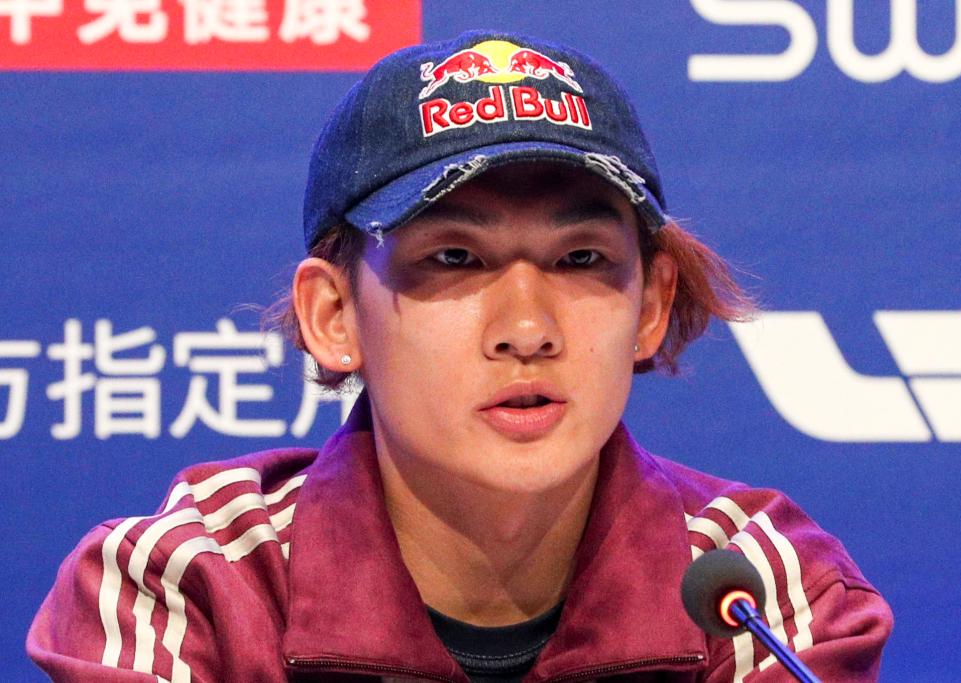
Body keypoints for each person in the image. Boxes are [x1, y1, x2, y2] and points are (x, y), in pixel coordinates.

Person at [27, 30, 893, 683]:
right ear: (335, 314)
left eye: (580, 259)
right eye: (455, 258)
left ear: (652, 305)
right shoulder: (190, 586)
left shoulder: (765, 592)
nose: (528, 328)